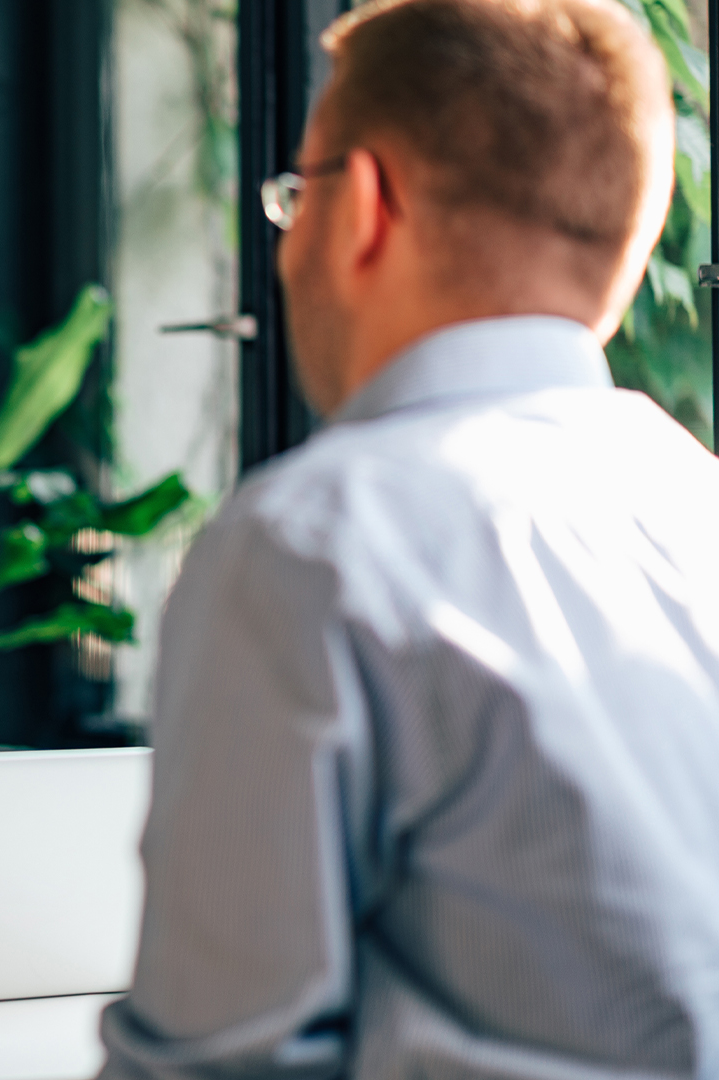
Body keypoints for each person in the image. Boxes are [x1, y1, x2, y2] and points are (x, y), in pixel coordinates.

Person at [100, 1, 719, 1076]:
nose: (288, 247)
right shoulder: (693, 505)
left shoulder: (313, 548)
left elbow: (216, 1063)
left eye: (295, 198)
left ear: (365, 207)